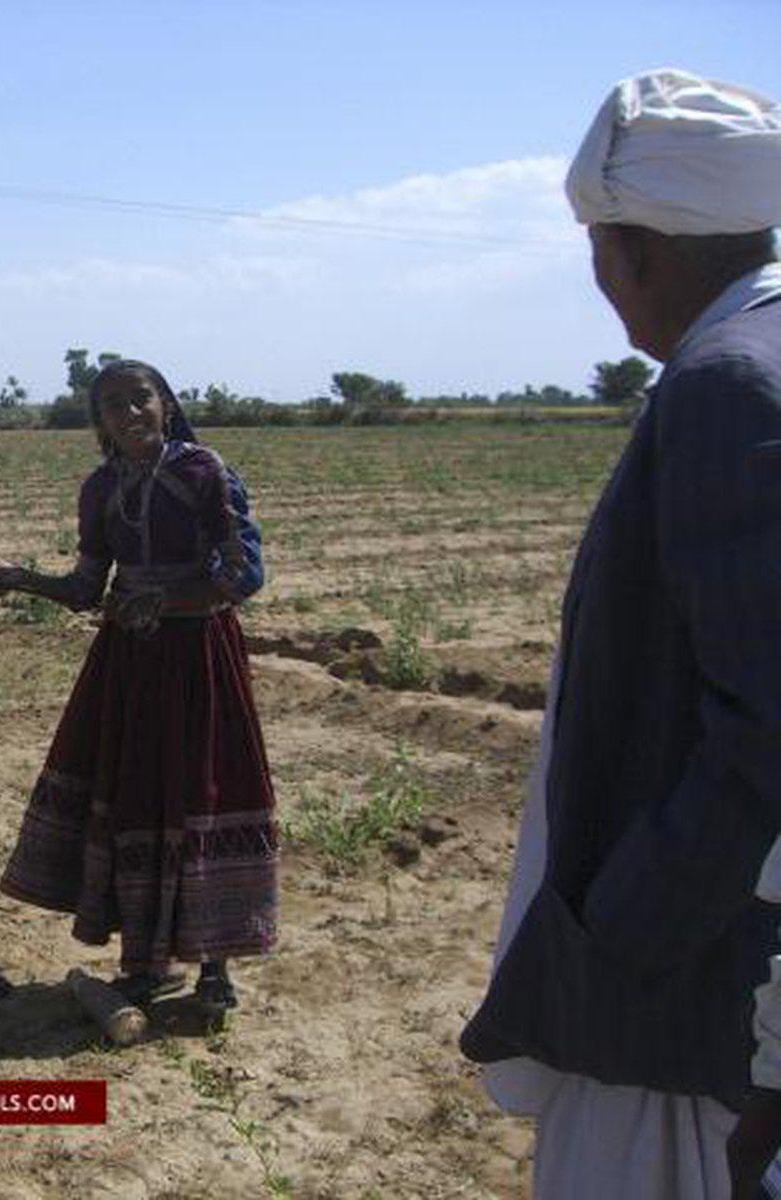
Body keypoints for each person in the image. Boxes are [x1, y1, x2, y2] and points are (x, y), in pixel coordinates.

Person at [459, 69, 781, 1199]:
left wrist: (617, 936)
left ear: (630, 249)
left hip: (690, 996)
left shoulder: (724, 386)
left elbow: (764, 727)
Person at [0, 359, 276, 1012]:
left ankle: (215, 965)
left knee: (202, 790)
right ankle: (146, 962)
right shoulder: (100, 489)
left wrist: (166, 601)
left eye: (141, 399)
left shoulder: (204, 473)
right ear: (99, 422)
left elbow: (240, 575)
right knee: (136, 794)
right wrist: (18, 578)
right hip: (130, 663)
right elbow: (86, 587)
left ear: (165, 403)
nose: (131, 414)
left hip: (199, 657)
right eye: (114, 406)